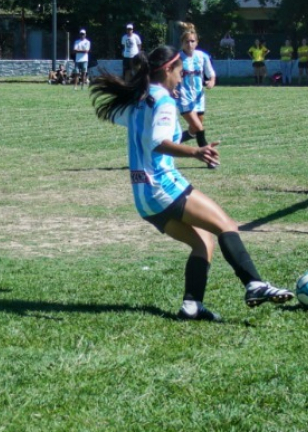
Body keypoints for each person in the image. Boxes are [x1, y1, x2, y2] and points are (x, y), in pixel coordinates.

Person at [89, 45, 293, 321]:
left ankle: (192, 306)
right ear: (167, 70)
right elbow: (159, 143)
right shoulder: (163, 101)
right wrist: (196, 151)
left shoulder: (140, 99)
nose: (183, 76)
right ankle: (254, 284)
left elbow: (148, 137)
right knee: (226, 226)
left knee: (203, 243)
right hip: (163, 186)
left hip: (143, 197)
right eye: (180, 71)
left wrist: (186, 136)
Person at [175, 23, 217, 158]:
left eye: (192, 41)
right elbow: (168, 75)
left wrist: (211, 81)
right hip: (184, 97)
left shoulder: (203, 56)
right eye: (186, 41)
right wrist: (171, 89)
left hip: (199, 98)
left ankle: (167, 143)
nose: (190, 44)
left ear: (197, 42)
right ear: (182, 43)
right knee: (199, 128)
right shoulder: (177, 58)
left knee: (193, 131)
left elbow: (211, 73)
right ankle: (208, 157)